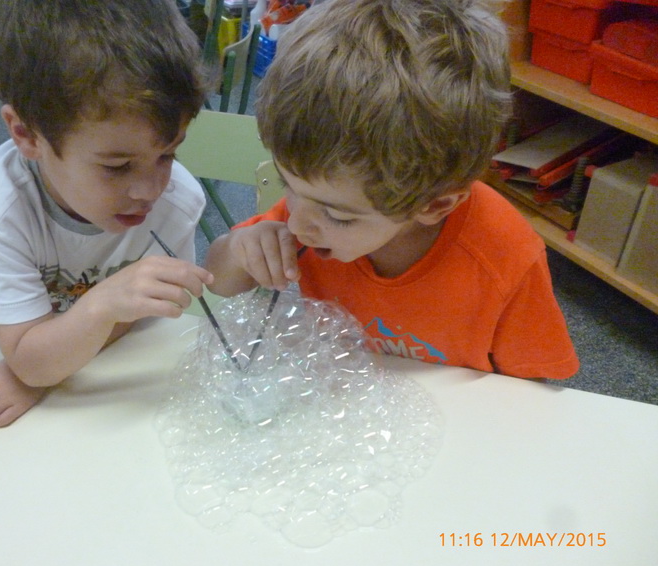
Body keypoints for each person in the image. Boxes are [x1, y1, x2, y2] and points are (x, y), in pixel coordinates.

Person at [205, 0, 580, 380]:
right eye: (288, 184)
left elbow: (532, 390)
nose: (297, 224)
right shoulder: (318, 205)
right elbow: (218, 279)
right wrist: (241, 251)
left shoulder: (505, 257)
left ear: (435, 205)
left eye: (338, 216)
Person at [0, 0, 214, 427]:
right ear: (26, 134)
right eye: (117, 166)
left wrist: (47, 363)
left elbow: (141, 313)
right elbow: (28, 357)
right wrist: (94, 314)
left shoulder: (177, 200)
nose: (151, 191)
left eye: (167, 154)